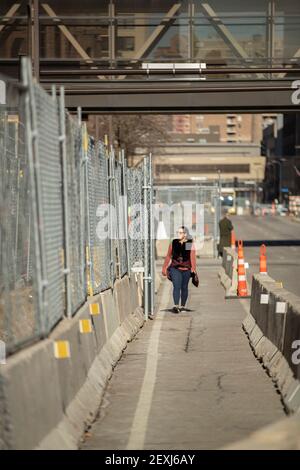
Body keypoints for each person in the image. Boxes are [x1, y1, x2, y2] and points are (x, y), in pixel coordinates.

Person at [162, 226, 197, 313]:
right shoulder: (173, 243)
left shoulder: (189, 244)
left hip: (186, 269)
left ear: (185, 234)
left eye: (180, 233)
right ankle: (176, 305)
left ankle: (183, 306)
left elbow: (192, 256)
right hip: (175, 268)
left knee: (184, 287)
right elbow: (168, 256)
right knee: (176, 286)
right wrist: (164, 267)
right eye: (178, 232)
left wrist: (193, 268)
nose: (178, 234)